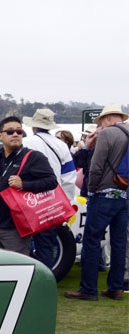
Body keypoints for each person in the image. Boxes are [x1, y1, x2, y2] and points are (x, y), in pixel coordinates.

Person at [65, 103, 128, 301]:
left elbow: (96, 166)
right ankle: (116, 287)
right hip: (124, 194)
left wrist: (91, 190)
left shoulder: (108, 134)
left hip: (103, 194)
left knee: (92, 241)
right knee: (119, 242)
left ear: (108, 118)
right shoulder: (126, 132)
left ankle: (88, 289)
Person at [0, 116, 57, 256]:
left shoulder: (33, 157)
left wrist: (24, 184)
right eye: (10, 131)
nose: (15, 134)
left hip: (15, 226)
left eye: (19, 131)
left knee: (16, 269)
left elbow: (51, 182)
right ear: (0, 136)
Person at [22, 108, 77, 268]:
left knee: (22, 243)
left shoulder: (26, 143)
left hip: (27, 199)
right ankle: (45, 280)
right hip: (52, 202)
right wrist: (65, 203)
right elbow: (69, 178)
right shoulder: (62, 146)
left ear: (34, 126)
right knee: (46, 245)